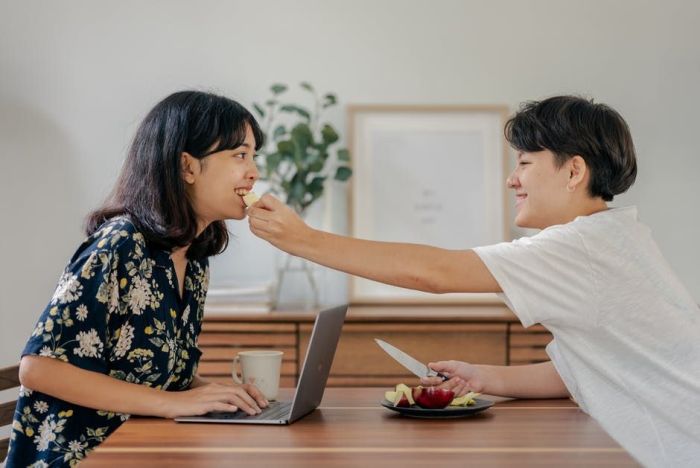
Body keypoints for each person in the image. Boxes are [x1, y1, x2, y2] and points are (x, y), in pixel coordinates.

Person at [247, 95, 700, 467]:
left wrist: (302, 239)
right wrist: (484, 376)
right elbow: (588, 368)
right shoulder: (616, 238)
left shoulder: (578, 248)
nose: (511, 179)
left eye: (524, 163)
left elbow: (435, 273)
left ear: (574, 171)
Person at [7, 91, 269, 467]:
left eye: (254, 157)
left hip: (147, 450)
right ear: (187, 167)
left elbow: (155, 374)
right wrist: (175, 403)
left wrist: (214, 393)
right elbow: (39, 368)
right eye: (240, 155)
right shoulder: (119, 244)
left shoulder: (193, 258)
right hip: (84, 457)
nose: (254, 171)